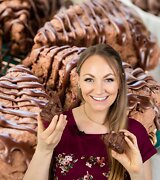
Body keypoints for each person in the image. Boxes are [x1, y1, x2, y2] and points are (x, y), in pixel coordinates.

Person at [23, 44, 157, 180]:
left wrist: (136, 175)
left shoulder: (134, 134)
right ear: (79, 81)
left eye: (109, 79)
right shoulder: (57, 127)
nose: (99, 90)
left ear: (120, 82)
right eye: (89, 79)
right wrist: (43, 150)